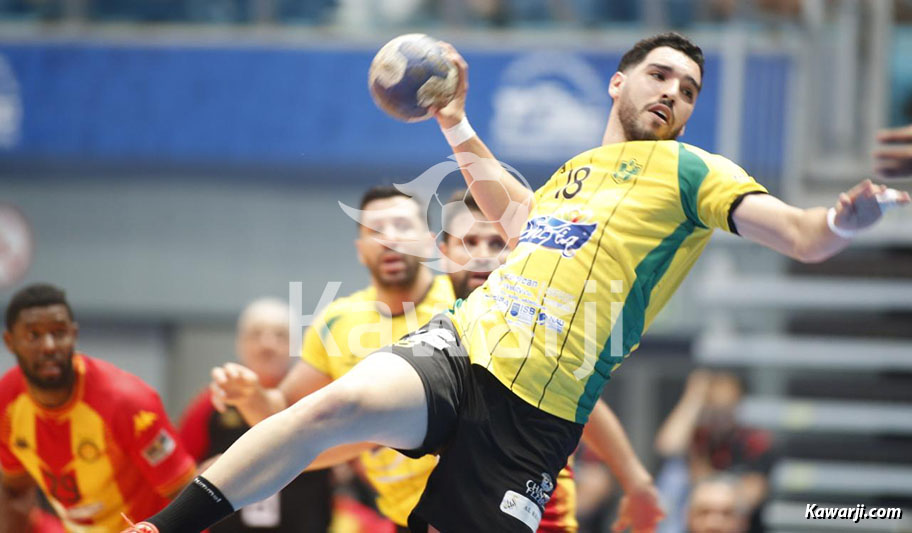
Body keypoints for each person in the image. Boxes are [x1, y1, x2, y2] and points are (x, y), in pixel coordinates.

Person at [122, 32, 910, 533]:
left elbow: (805, 236)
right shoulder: (577, 172)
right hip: (466, 346)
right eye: (660, 75)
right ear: (619, 83)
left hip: (536, 416)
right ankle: (162, 527)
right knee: (336, 403)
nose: (673, 93)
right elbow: (522, 216)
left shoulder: (693, 174)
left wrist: (847, 214)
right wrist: (454, 123)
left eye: (689, 89)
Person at [207, 187, 663, 533]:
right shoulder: (337, 320)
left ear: (430, 243)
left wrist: (636, 480)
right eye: (375, 231)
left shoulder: (480, 298)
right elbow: (290, 423)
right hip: (416, 516)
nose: (390, 241)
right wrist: (249, 397)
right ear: (359, 247)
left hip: (516, 502)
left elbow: (576, 399)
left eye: (402, 227)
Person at [0, 283, 196, 531]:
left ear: (73, 334)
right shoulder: (7, 402)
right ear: (10, 341)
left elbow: (188, 499)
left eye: (58, 332)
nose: (48, 346)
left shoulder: (128, 403)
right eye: (33, 335)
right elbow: (14, 493)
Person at [178, 298, 332, 533]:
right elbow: (180, 471)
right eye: (256, 334)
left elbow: (364, 456)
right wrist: (202, 473)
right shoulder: (212, 402)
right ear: (240, 343)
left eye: (280, 335)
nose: (267, 344)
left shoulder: (319, 399)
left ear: (298, 346)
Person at [654, 371, 773, 533]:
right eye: (714, 404)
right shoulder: (699, 436)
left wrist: (706, 481)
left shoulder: (753, 440)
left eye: (726, 404)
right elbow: (668, 446)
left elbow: (751, 495)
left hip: (741, 525)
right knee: (674, 472)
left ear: (738, 402)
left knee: (716, 504)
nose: (720, 411)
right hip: (690, 521)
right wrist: (693, 398)